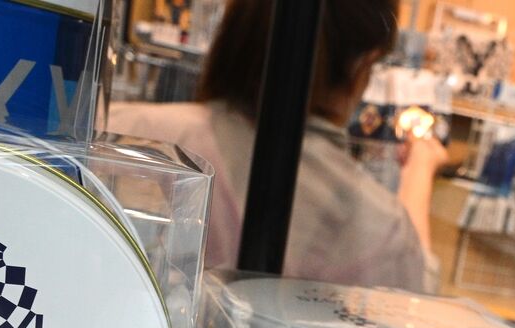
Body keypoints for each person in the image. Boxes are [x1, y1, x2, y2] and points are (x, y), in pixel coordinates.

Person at [106, 0, 447, 292]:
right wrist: (420, 171)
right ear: (363, 65)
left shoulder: (118, 131)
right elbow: (410, 299)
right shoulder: (374, 223)